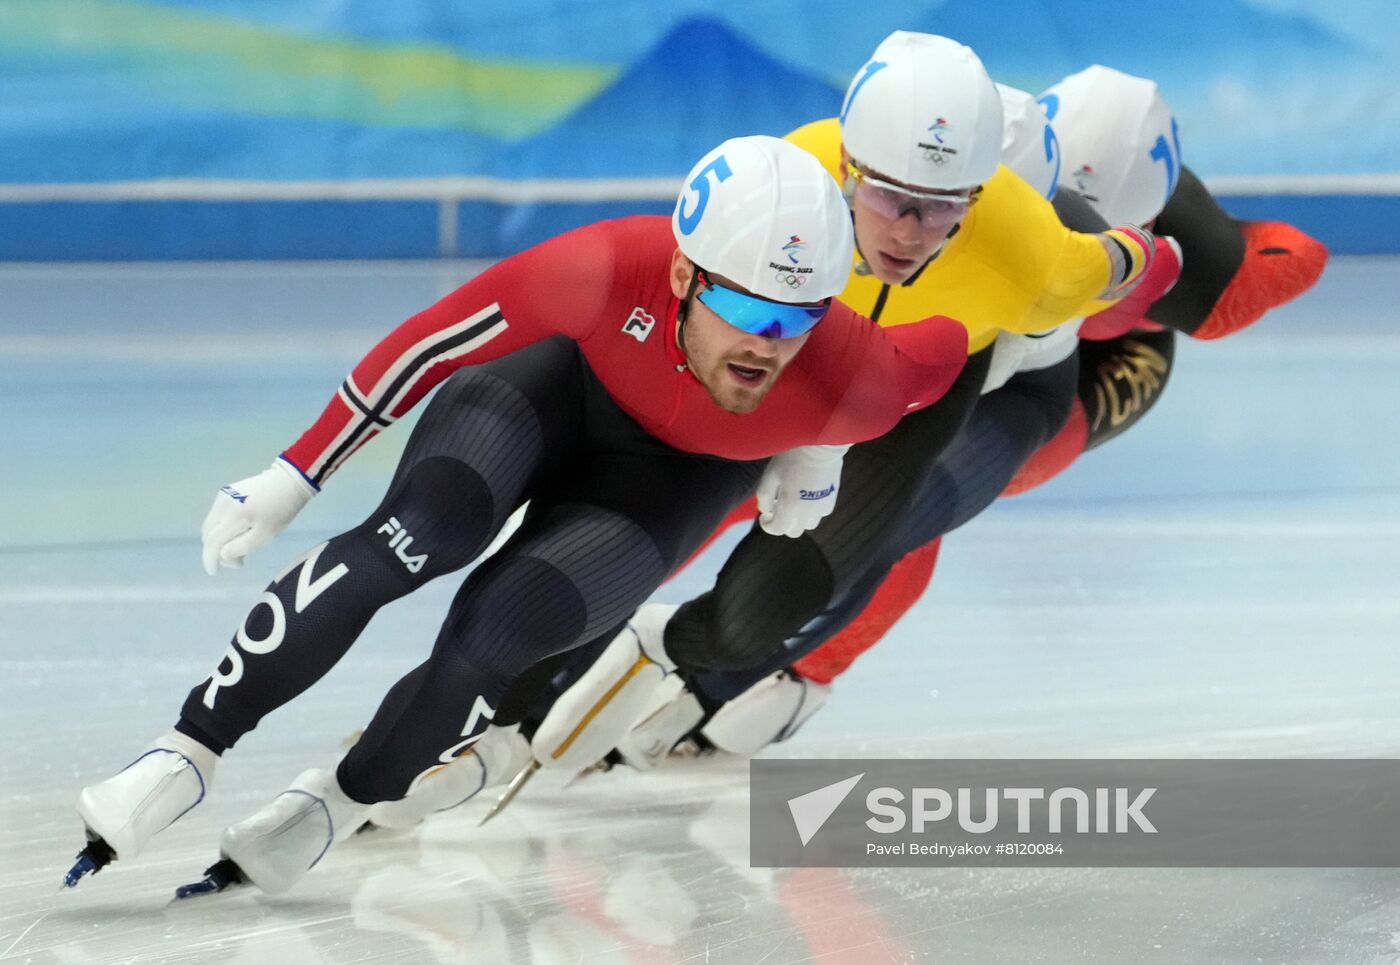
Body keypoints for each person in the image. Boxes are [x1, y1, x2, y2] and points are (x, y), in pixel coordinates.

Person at [66, 134, 979, 896]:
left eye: (797, 318)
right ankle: (183, 751)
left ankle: (337, 803)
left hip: (670, 482)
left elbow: (947, 346)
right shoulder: (604, 266)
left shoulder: (855, 378)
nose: (765, 344)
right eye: (742, 306)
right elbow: (424, 345)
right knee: (415, 534)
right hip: (549, 391)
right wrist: (296, 471)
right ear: (681, 273)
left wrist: (824, 443)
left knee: (496, 635)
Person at [362, 34, 1177, 824]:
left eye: (944, 214)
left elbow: (1147, 264)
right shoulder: (797, 171)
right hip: (806, 352)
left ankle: (673, 652)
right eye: (889, 198)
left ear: (985, 202)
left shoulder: (1037, 256)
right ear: (850, 167)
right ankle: (452, 717)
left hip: (930, 386)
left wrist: (1154, 259)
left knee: (772, 603)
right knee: (637, 523)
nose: (906, 233)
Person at [570, 64, 1329, 773]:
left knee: (898, 517)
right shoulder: (979, 168)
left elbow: (1292, 259)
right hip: (972, 335)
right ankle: (622, 641)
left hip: (1062, 379)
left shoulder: (1183, 274)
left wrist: (1226, 237)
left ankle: (782, 670)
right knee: (755, 467)